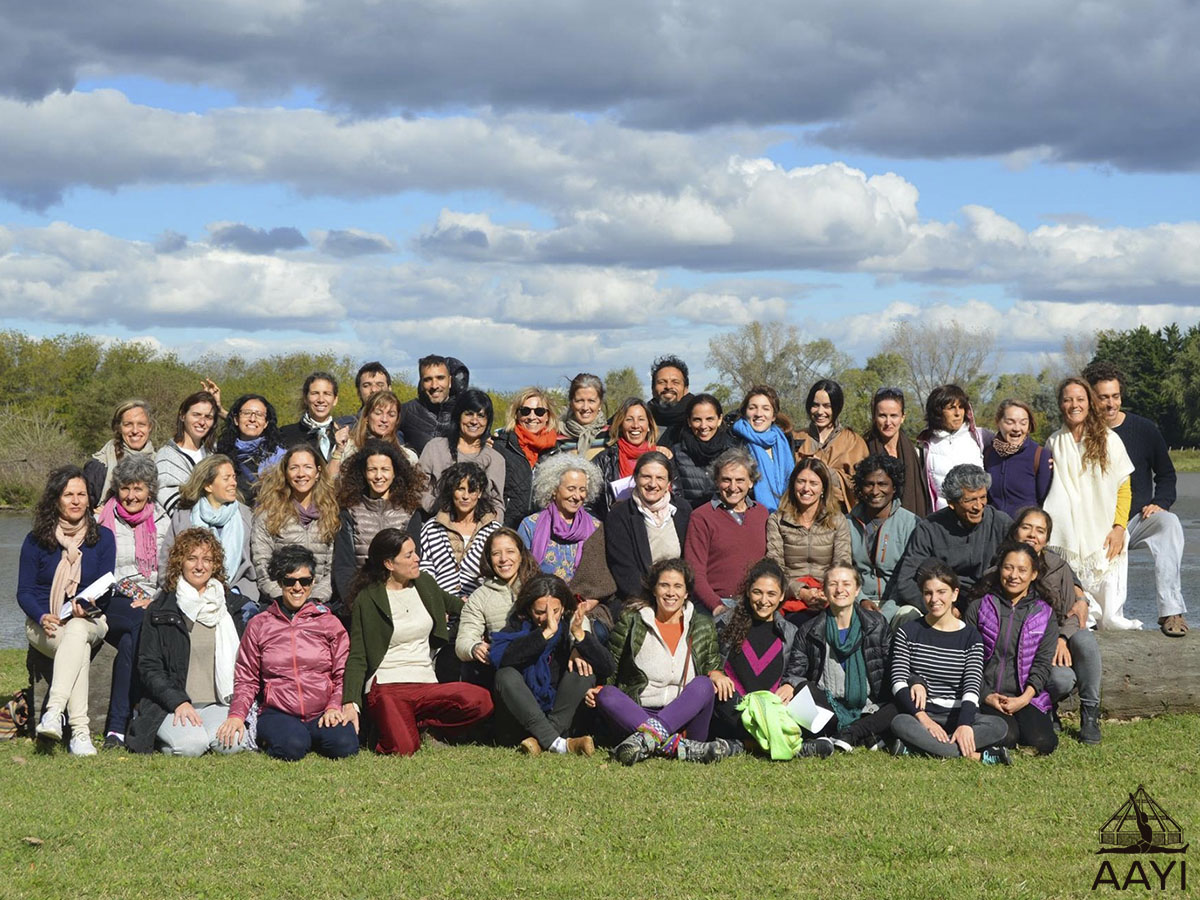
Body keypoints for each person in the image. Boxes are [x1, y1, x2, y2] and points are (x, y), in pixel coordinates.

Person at [340, 529, 494, 755]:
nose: (417, 558)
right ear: (389, 564)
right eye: (409, 555)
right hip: (387, 686)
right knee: (404, 749)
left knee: (481, 701)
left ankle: (425, 727)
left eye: (415, 552)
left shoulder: (425, 584)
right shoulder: (368, 598)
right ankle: (394, 726)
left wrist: (490, 625)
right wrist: (351, 702)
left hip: (425, 683)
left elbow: (463, 608)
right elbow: (358, 656)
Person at [216, 545, 359, 761]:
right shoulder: (259, 624)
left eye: (305, 581)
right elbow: (247, 678)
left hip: (321, 710)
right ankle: (292, 737)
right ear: (280, 582)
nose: (297, 587)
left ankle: (313, 735)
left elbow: (341, 673)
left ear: (312, 582)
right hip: (278, 711)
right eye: (290, 581)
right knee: (292, 747)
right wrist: (237, 715)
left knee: (345, 745)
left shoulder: (329, 623)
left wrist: (333, 706)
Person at [589, 559, 737, 764]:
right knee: (607, 695)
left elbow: (712, 663)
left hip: (685, 718)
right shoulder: (632, 620)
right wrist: (600, 688)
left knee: (704, 684)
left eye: (678, 586)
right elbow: (612, 665)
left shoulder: (702, 624)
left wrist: (717, 672)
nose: (670, 592)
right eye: (664, 585)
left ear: (686, 593)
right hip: (637, 714)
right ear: (654, 590)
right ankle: (678, 747)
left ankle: (647, 741)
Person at [1085, 361, 1189, 637]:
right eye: (1103, 397)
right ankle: (1089, 615)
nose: (1110, 404)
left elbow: (1166, 475)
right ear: (1091, 398)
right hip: (1098, 524)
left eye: (1115, 396)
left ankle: (1171, 612)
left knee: (1169, 524)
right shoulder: (1081, 432)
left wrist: (1161, 502)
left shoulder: (1144, 429)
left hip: (1137, 519)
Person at [126, 528, 250, 756]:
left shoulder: (230, 607)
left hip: (218, 703)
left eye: (207, 559)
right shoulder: (161, 609)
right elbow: (149, 666)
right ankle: (166, 737)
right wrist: (178, 702)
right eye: (192, 558)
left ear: (215, 565)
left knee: (232, 744)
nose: (199, 566)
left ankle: (205, 733)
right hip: (171, 705)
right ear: (180, 562)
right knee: (191, 746)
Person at [20, 466, 116, 755]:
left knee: (76, 629)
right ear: (56, 499)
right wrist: (42, 616)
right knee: (78, 649)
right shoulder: (36, 540)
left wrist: (86, 607)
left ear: (89, 499)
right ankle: (80, 733)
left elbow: (106, 589)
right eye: (68, 494)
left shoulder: (104, 537)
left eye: (81, 494)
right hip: (44, 623)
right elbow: (24, 591)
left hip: (91, 619)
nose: (75, 501)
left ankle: (54, 712)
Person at [888, 563, 1011, 763]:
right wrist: (924, 720)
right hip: (923, 714)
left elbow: (972, 686)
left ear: (954, 594)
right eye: (928, 593)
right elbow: (898, 681)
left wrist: (964, 725)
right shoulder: (908, 632)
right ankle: (974, 756)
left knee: (999, 726)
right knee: (899, 722)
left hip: (958, 713)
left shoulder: (971, 637)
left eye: (941, 592)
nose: (934, 599)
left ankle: (921, 748)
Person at [1042, 377, 1137, 630]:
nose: (1074, 405)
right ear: (1060, 404)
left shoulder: (1109, 440)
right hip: (1069, 535)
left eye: (1080, 399)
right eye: (1067, 399)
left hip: (1105, 531)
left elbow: (1124, 488)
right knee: (1082, 619)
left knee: (1111, 619)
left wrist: (1119, 527)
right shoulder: (1053, 442)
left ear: (1090, 403)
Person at [1002, 507, 1102, 745]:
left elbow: (1072, 612)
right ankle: (1046, 708)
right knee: (1061, 679)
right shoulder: (1006, 565)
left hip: (1056, 636)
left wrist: (1062, 638)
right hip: (1023, 646)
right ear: (1016, 531)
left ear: (1047, 538)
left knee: (1085, 640)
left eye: (1040, 531)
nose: (1032, 535)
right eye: (1026, 527)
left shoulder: (1058, 566)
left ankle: (1090, 714)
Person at [490, 574, 613, 755]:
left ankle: (543, 740)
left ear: (563, 606)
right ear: (529, 608)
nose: (549, 618)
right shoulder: (518, 625)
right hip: (522, 719)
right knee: (505, 675)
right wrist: (544, 634)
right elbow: (501, 659)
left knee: (583, 669)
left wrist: (579, 636)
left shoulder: (569, 627)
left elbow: (608, 667)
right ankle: (559, 744)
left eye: (555, 611)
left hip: (562, 716)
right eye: (539, 612)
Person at [96, 454, 168, 748]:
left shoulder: (163, 520)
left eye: (138, 489)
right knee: (140, 622)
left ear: (149, 490)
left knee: (132, 641)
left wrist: (156, 599)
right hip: (111, 597)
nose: (130, 496)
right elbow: (96, 571)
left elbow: (169, 569)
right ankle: (136, 713)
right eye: (125, 488)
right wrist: (131, 592)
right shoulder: (101, 519)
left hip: (152, 598)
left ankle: (116, 728)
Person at [964, 541, 1059, 755]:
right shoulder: (979, 607)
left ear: (1034, 574)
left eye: (1022, 570)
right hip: (986, 694)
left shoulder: (1044, 614)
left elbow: (1043, 664)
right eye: (1008, 567)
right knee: (1006, 737)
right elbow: (967, 659)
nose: (1014, 575)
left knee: (1043, 742)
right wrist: (986, 695)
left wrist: (1024, 699)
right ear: (999, 570)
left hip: (1026, 697)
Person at [790, 566, 896, 753]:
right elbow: (795, 672)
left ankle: (850, 733)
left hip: (870, 705)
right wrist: (789, 684)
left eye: (847, 584)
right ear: (824, 590)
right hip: (829, 705)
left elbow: (893, 666)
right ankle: (866, 732)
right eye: (833, 584)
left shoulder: (877, 624)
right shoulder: (808, 630)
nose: (840, 590)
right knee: (801, 690)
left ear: (857, 590)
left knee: (901, 700)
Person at [711, 559, 808, 754]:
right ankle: (782, 741)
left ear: (782, 596)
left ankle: (749, 744)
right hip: (735, 708)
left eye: (771, 594)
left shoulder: (791, 632)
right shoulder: (724, 623)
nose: (764, 601)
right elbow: (707, 656)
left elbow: (799, 666)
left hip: (773, 709)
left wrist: (790, 683)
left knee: (809, 691)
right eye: (757, 592)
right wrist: (715, 673)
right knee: (716, 696)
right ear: (748, 591)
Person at [893, 464, 1012, 614]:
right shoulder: (929, 528)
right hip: (943, 602)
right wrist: (939, 607)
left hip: (989, 600)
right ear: (952, 503)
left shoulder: (1001, 522)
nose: (978, 506)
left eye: (983, 497)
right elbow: (905, 581)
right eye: (970, 500)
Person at [161, 454, 259, 615]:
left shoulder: (246, 516)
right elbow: (167, 558)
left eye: (234, 477)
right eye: (226, 478)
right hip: (188, 594)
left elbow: (254, 564)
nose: (234, 483)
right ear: (208, 485)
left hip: (236, 595)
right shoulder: (184, 515)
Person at [333, 440, 424, 603]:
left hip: (402, 597)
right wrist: (355, 603)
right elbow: (344, 566)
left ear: (395, 472)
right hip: (361, 598)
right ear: (363, 472)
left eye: (385, 469)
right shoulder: (349, 512)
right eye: (372, 470)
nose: (378, 476)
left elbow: (415, 562)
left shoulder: (410, 512)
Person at [250, 446, 339, 608]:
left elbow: (333, 568)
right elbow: (262, 564)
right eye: (294, 468)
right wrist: (283, 599)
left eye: (307, 467)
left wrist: (316, 599)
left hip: (320, 605)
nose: (301, 474)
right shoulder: (268, 514)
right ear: (285, 473)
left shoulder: (331, 513)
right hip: (278, 604)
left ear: (318, 472)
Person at [683, 449, 769, 616]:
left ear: (751, 482)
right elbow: (694, 571)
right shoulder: (702, 517)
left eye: (740, 480)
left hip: (758, 602)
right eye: (726, 480)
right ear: (716, 481)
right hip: (717, 603)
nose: (733, 487)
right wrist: (717, 606)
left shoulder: (762, 513)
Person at [766, 458, 852, 623]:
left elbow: (842, 563)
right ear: (793, 485)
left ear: (823, 488)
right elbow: (775, 566)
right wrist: (801, 591)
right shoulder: (777, 520)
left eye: (813, 483)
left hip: (828, 595)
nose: (806, 488)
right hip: (790, 597)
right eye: (801, 482)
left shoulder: (837, 520)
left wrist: (825, 592)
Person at [454, 528, 539, 685]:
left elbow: (575, 617)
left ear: (521, 555)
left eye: (510, 552)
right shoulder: (480, 597)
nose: (503, 559)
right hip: (505, 668)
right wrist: (474, 647)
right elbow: (464, 639)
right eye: (496, 554)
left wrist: (578, 646)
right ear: (488, 558)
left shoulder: (540, 585)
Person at [604, 452, 691, 604]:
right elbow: (624, 570)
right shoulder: (619, 516)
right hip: (640, 598)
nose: (652, 484)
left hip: (678, 596)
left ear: (669, 482)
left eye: (660, 478)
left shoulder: (682, 510)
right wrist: (655, 602)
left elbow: (690, 561)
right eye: (646, 477)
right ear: (636, 478)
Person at [848, 454, 918, 623]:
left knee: (911, 615)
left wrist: (886, 612)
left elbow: (909, 575)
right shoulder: (846, 523)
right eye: (869, 484)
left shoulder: (911, 524)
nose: (875, 491)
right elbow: (844, 568)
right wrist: (861, 600)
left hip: (897, 603)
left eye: (882, 484)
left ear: (894, 488)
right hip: (856, 601)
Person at [419, 461, 502, 597]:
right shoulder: (432, 528)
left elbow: (496, 575)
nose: (465, 496)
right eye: (460, 489)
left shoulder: (493, 531)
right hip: (440, 608)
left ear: (480, 493)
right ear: (452, 490)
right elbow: (425, 574)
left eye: (472, 490)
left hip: (479, 608)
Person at [418, 389, 506, 514]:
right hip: (435, 523)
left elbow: (497, 504)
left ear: (487, 421)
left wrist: (479, 523)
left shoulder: (496, 460)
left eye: (481, 416)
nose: (474, 421)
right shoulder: (435, 448)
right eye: (469, 414)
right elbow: (417, 489)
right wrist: (443, 511)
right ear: (458, 416)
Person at [517, 455, 602, 581]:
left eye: (582, 490)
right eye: (571, 489)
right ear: (553, 490)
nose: (577, 496)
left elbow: (601, 575)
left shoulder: (596, 527)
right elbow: (521, 572)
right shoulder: (530, 526)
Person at [794, 378, 869, 513]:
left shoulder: (853, 441)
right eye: (815, 405)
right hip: (800, 515)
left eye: (827, 406)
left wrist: (828, 473)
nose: (820, 411)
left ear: (837, 407)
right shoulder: (796, 438)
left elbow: (862, 485)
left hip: (841, 517)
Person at [593, 396, 672, 518]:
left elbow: (677, 497)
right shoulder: (605, 460)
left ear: (649, 425)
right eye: (629, 419)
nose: (635, 425)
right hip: (619, 527)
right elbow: (589, 503)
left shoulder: (663, 457)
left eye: (641, 419)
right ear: (620, 425)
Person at [494, 388, 562, 528]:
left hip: (544, 530)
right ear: (516, 414)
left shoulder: (557, 452)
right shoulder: (501, 447)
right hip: (507, 528)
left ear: (548, 416)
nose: (532, 417)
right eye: (525, 411)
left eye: (539, 411)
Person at [863, 387, 928, 517]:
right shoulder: (864, 449)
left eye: (893, 416)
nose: (888, 422)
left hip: (911, 523)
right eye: (882, 415)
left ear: (903, 417)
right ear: (875, 417)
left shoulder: (916, 453)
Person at [668, 393, 742, 508]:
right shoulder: (677, 453)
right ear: (689, 421)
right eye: (697, 420)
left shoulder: (734, 452)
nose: (703, 426)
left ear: (719, 419)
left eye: (709, 419)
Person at [982, 399, 1053, 517]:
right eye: (1010, 422)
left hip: (1024, 530)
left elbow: (1045, 500)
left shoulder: (1040, 455)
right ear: (998, 422)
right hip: (993, 529)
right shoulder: (989, 454)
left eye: (1023, 423)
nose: (1017, 428)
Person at [918, 384, 984, 511]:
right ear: (938, 412)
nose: (958, 413)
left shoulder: (980, 437)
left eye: (961, 407)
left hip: (976, 514)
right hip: (943, 519)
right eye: (951, 408)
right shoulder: (925, 445)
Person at [155, 390, 220, 515]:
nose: (202, 422)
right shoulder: (166, 457)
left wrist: (220, 408)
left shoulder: (215, 452)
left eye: (208, 417)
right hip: (186, 527)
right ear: (183, 416)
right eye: (196, 415)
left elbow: (244, 429)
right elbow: (172, 504)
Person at [730, 385, 793, 512]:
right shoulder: (734, 441)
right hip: (750, 515)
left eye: (766, 409)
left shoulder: (785, 441)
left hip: (786, 515)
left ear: (774, 415)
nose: (759, 414)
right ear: (745, 412)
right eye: (752, 408)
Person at [215, 393, 287, 503]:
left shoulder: (281, 458)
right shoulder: (219, 454)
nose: (252, 419)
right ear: (236, 419)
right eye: (247, 413)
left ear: (266, 423)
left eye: (259, 415)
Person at [83, 399, 155, 506]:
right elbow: (83, 507)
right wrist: (100, 514)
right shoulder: (98, 467)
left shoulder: (161, 464)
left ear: (149, 427)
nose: (135, 431)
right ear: (119, 428)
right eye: (128, 424)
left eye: (141, 424)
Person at [334, 390, 418, 479]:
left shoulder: (409, 457)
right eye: (378, 413)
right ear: (366, 416)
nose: (384, 419)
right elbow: (329, 483)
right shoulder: (346, 449)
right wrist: (338, 451)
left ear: (397, 420)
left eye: (391, 415)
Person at [401, 354, 469, 454]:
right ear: (421, 383)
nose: (434, 385)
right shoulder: (406, 411)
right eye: (428, 379)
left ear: (450, 381)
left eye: (440, 378)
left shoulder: (466, 413)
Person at [278, 371, 350, 464]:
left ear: (335, 400)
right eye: (315, 393)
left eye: (327, 394)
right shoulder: (285, 434)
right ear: (305, 398)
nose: (321, 399)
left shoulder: (345, 434)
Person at [557, 372, 609, 458]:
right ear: (571, 403)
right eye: (579, 401)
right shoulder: (558, 437)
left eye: (591, 401)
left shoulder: (611, 436)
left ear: (600, 404)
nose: (585, 407)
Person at [646, 355, 693, 448]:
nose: (668, 386)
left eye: (675, 382)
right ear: (652, 389)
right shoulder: (640, 420)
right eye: (662, 382)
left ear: (686, 389)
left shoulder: (697, 419)